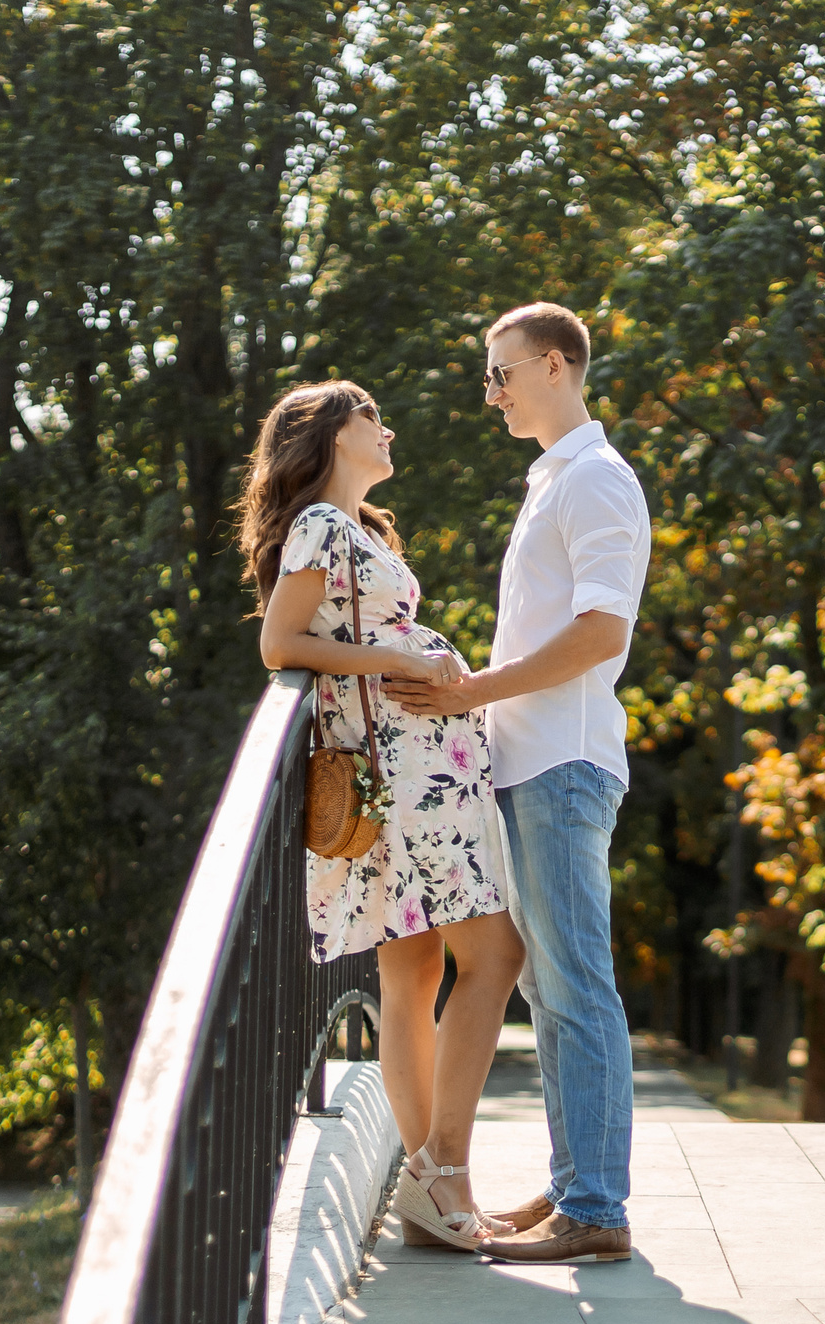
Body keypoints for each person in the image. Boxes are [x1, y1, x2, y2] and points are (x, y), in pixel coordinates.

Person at [385, 302, 647, 1264]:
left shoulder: (596, 482)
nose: (489, 392)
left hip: (564, 765)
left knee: (577, 983)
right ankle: (581, 1180)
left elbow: (600, 632)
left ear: (552, 366)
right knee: (554, 982)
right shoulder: (555, 482)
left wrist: (471, 693)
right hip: (529, 763)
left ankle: (596, 1207)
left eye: (499, 373)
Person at [243, 379, 527, 1252]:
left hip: (411, 769)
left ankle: (438, 1188)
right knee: (497, 953)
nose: (389, 428)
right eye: (373, 417)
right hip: (404, 779)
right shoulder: (323, 528)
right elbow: (280, 644)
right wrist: (396, 657)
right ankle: (442, 1171)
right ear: (329, 435)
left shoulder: (353, 531)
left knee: (413, 975)